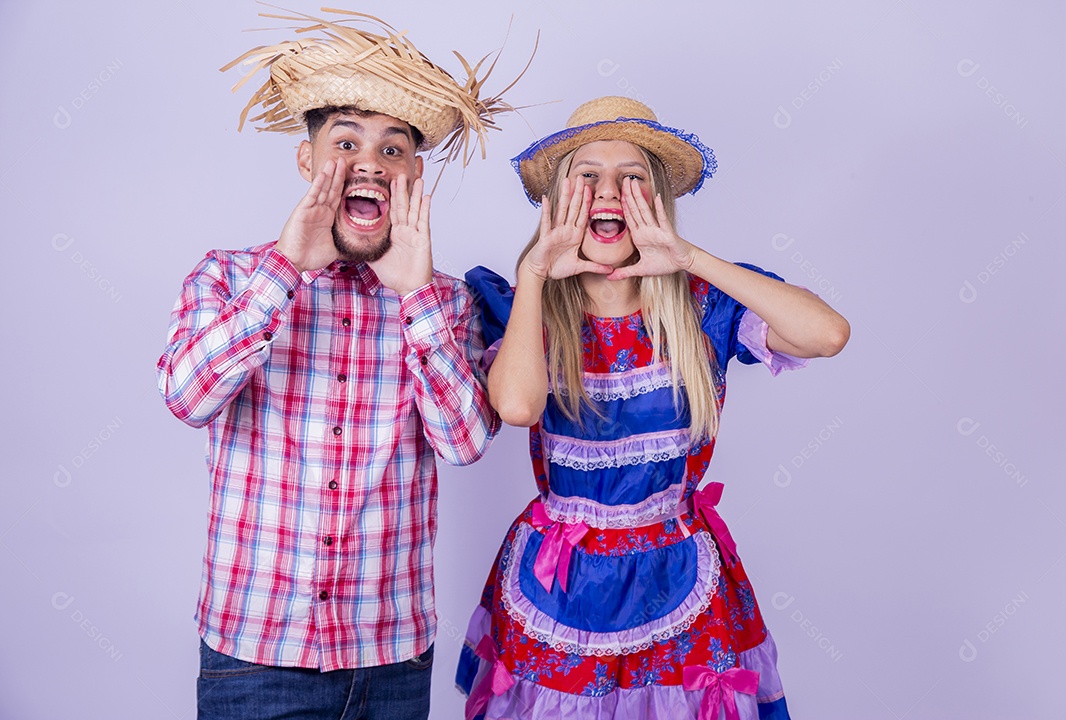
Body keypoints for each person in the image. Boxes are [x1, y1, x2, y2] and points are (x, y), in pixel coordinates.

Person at [156, 9, 520, 719]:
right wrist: (284, 271)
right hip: (254, 655)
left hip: (393, 658)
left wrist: (416, 298)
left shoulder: (444, 301)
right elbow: (184, 397)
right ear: (307, 160)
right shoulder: (231, 278)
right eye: (345, 141)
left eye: (392, 150)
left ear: (414, 174)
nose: (368, 162)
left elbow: (467, 443)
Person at [455, 96, 850, 720]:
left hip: (680, 574)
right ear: (561, 199)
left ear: (657, 201)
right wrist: (533, 275)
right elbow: (519, 405)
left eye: (632, 177)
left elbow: (826, 334)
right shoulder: (516, 306)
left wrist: (691, 258)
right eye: (587, 176)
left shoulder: (703, 304)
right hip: (560, 588)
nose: (609, 190)